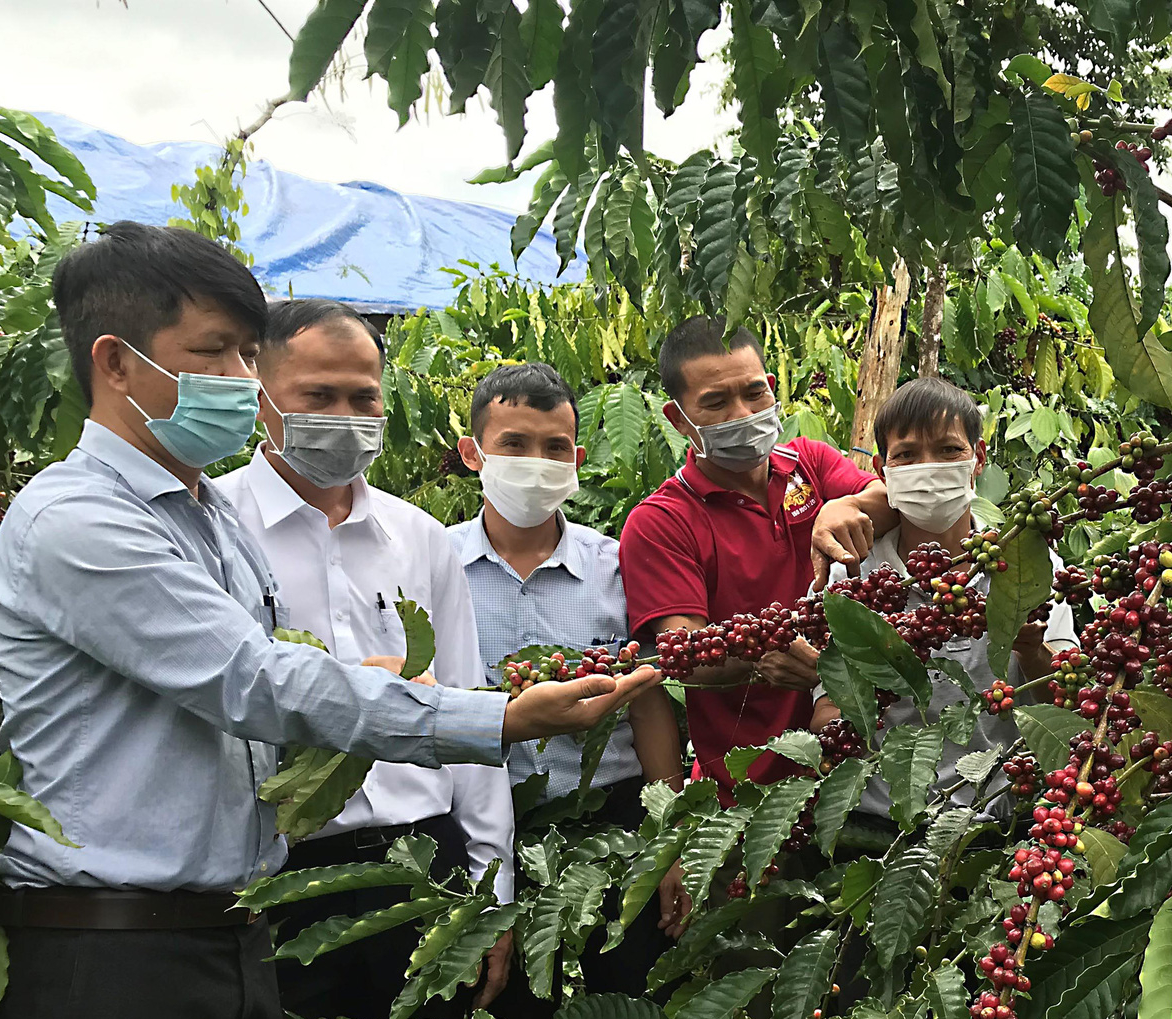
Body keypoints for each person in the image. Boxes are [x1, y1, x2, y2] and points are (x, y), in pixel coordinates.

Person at [0, 222, 656, 1019]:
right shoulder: (79, 521)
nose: (242, 384)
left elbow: (285, 687)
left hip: (226, 931)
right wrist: (490, 716)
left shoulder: (202, 519)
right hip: (112, 952)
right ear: (113, 360)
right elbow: (254, 679)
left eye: (250, 355)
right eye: (216, 354)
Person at [213, 299, 517, 1019]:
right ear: (262, 400)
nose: (344, 416)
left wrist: (490, 891)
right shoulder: (215, 531)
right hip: (286, 875)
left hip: (422, 866)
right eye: (317, 397)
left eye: (363, 397)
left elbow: (469, 716)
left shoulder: (418, 538)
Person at [448, 362, 691, 958]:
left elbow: (649, 706)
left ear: (578, 458)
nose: (537, 461)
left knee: (624, 988)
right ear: (473, 453)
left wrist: (669, 842)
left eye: (555, 447)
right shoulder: (434, 564)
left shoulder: (616, 567)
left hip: (614, 824)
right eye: (514, 444)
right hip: (479, 825)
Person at [619, 316, 893, 793]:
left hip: (862, 776)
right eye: (715, 403)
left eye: (753, 394)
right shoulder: (661, 522)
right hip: (747, 790)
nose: (741, 414)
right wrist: (764, 656)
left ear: (771, 387)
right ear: (678, 419)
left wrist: (842, 507)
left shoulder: (810, 462)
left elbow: (888, 500)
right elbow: (688, 653)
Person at [810, 377, 1076, 821]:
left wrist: (1029, 647)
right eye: (907, 455)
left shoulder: (1029, 565)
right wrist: (868, 684)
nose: (928, 467)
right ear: (882, 469)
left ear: (979, 458)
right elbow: (827, 714)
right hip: (882, 820)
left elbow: (1070, 698)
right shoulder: (852, 571)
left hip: (1000, 821)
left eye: (950, 450)